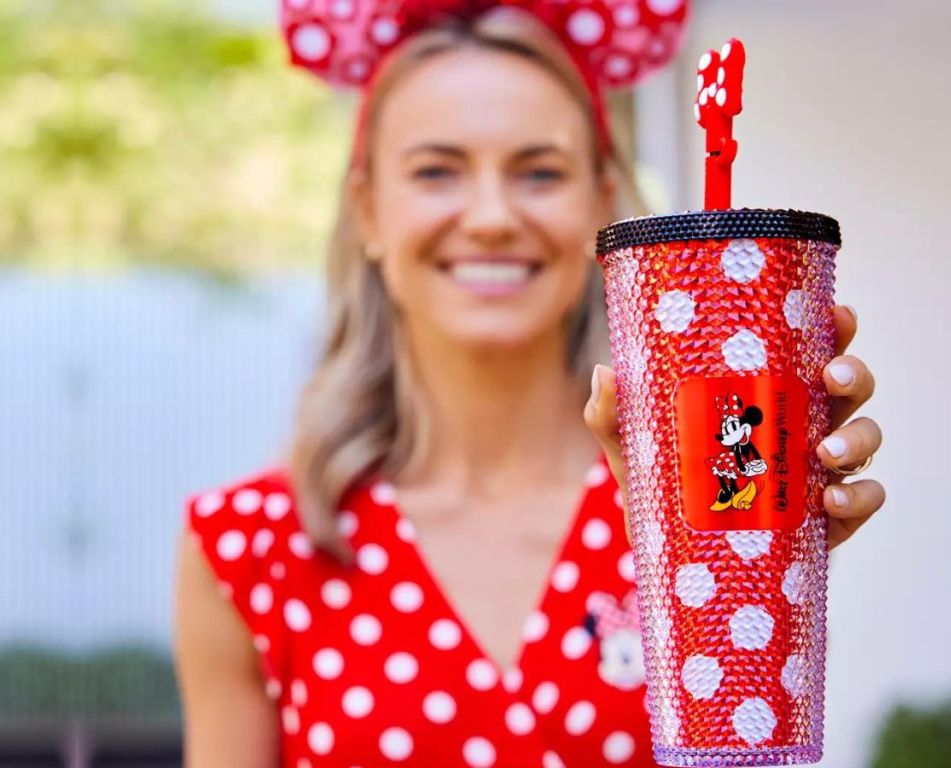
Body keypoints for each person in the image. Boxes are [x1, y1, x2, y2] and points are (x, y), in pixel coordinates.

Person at [172, 4, 885, 766]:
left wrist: (761, 561)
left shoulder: (704, 504)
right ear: (368, 210)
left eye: (540, 172)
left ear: (601, 202)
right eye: (437, 170)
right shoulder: (251, 546)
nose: (491, 216)